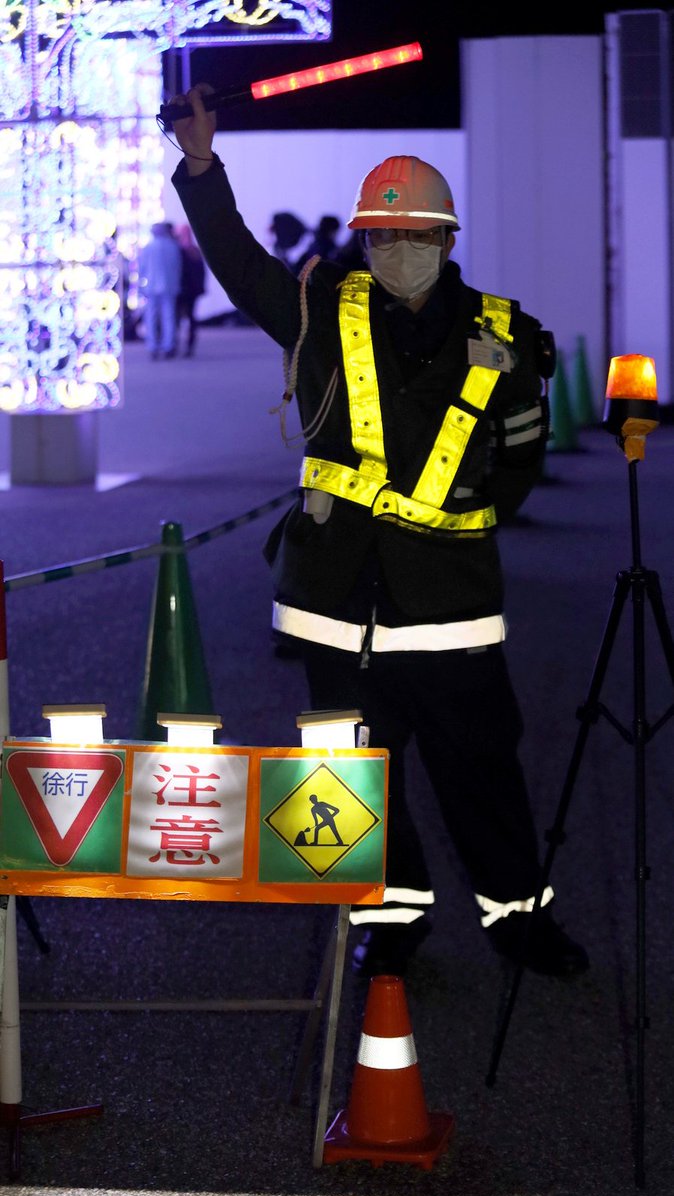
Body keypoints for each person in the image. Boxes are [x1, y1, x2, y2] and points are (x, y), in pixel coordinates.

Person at [170, 84, 590, 980]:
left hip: (450, 608)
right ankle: (391, 921)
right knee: (354, 776)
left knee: (481, 767)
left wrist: (455, 521)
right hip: (336, 603)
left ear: (447, 240)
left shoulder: (507, 335)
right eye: (381, 235)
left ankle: (520, 919)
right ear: (363, 240)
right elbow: (238, 263)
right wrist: (202, 165)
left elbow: (520, 461)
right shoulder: (319, 309)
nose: (396, 248)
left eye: (414, 234)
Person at [138, 221, 182, 360]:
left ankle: (152, 346)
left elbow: (142, 268)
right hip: (169, 287)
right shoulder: (172, 246)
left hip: (152, 287)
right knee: (168, 317)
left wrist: (141, 286)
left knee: (151, 317)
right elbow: (177, 268)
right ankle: (168, 345)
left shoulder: (148, 247)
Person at [175, 223, 206, 357]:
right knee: (190, 317)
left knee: (177, 317)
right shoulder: (194, 250)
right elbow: (201, 272)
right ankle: (188, 344)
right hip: (192, 290)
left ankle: (175, 344)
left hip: (182, 290)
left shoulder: (178, 251)